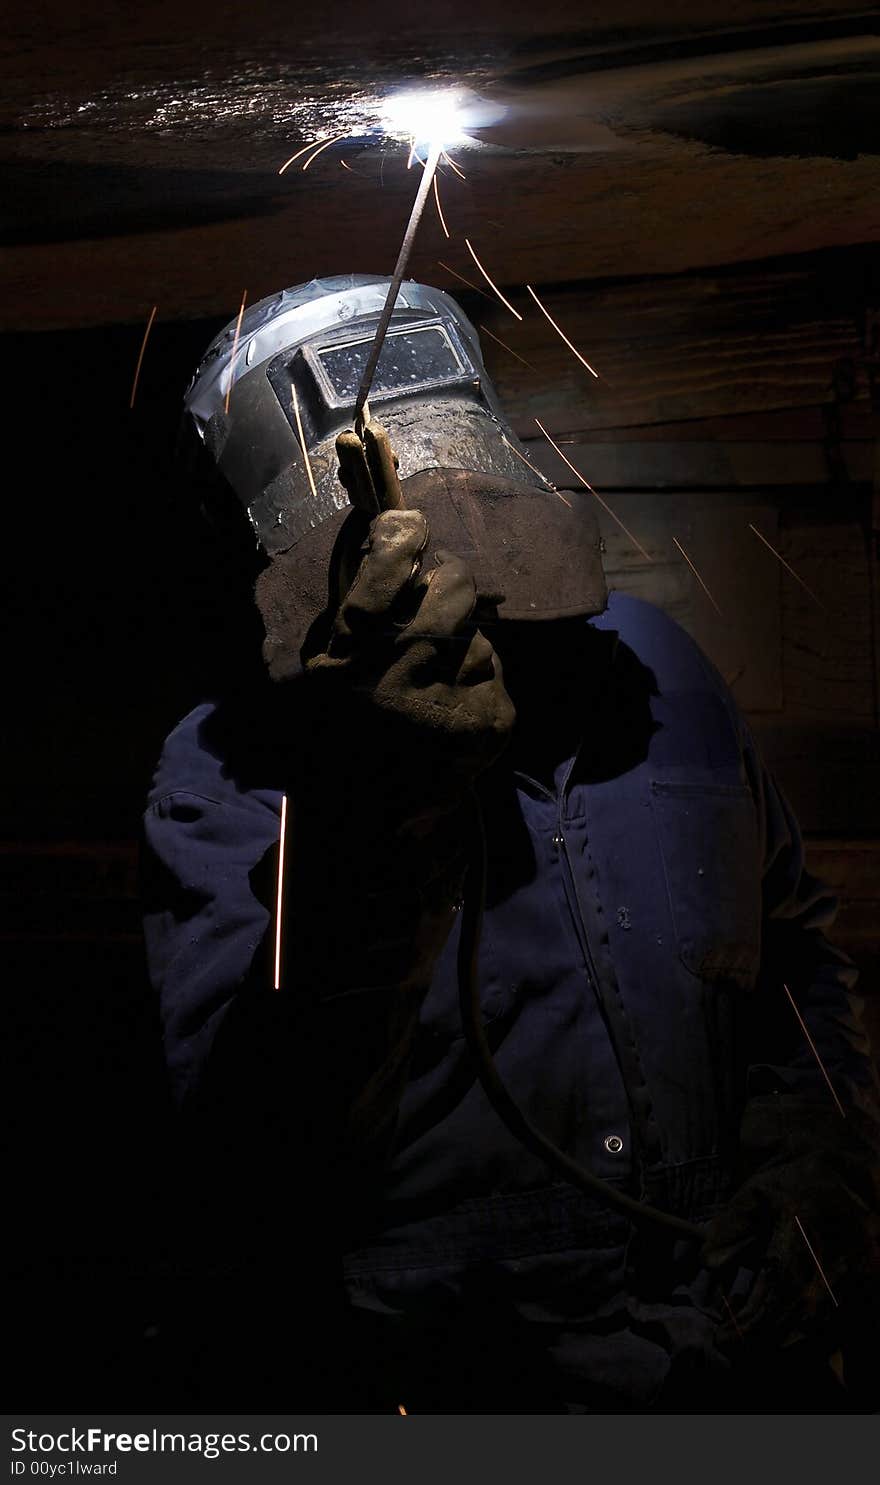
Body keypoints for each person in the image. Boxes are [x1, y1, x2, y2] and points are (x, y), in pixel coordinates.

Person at [142, 278, 880, 1413]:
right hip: (453, 1373)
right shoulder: (232, 769)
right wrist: (378, 823)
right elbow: (252, 1149)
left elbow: (791, 952)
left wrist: (819, 1147)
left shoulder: (655, 669)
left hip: (725, 1350)